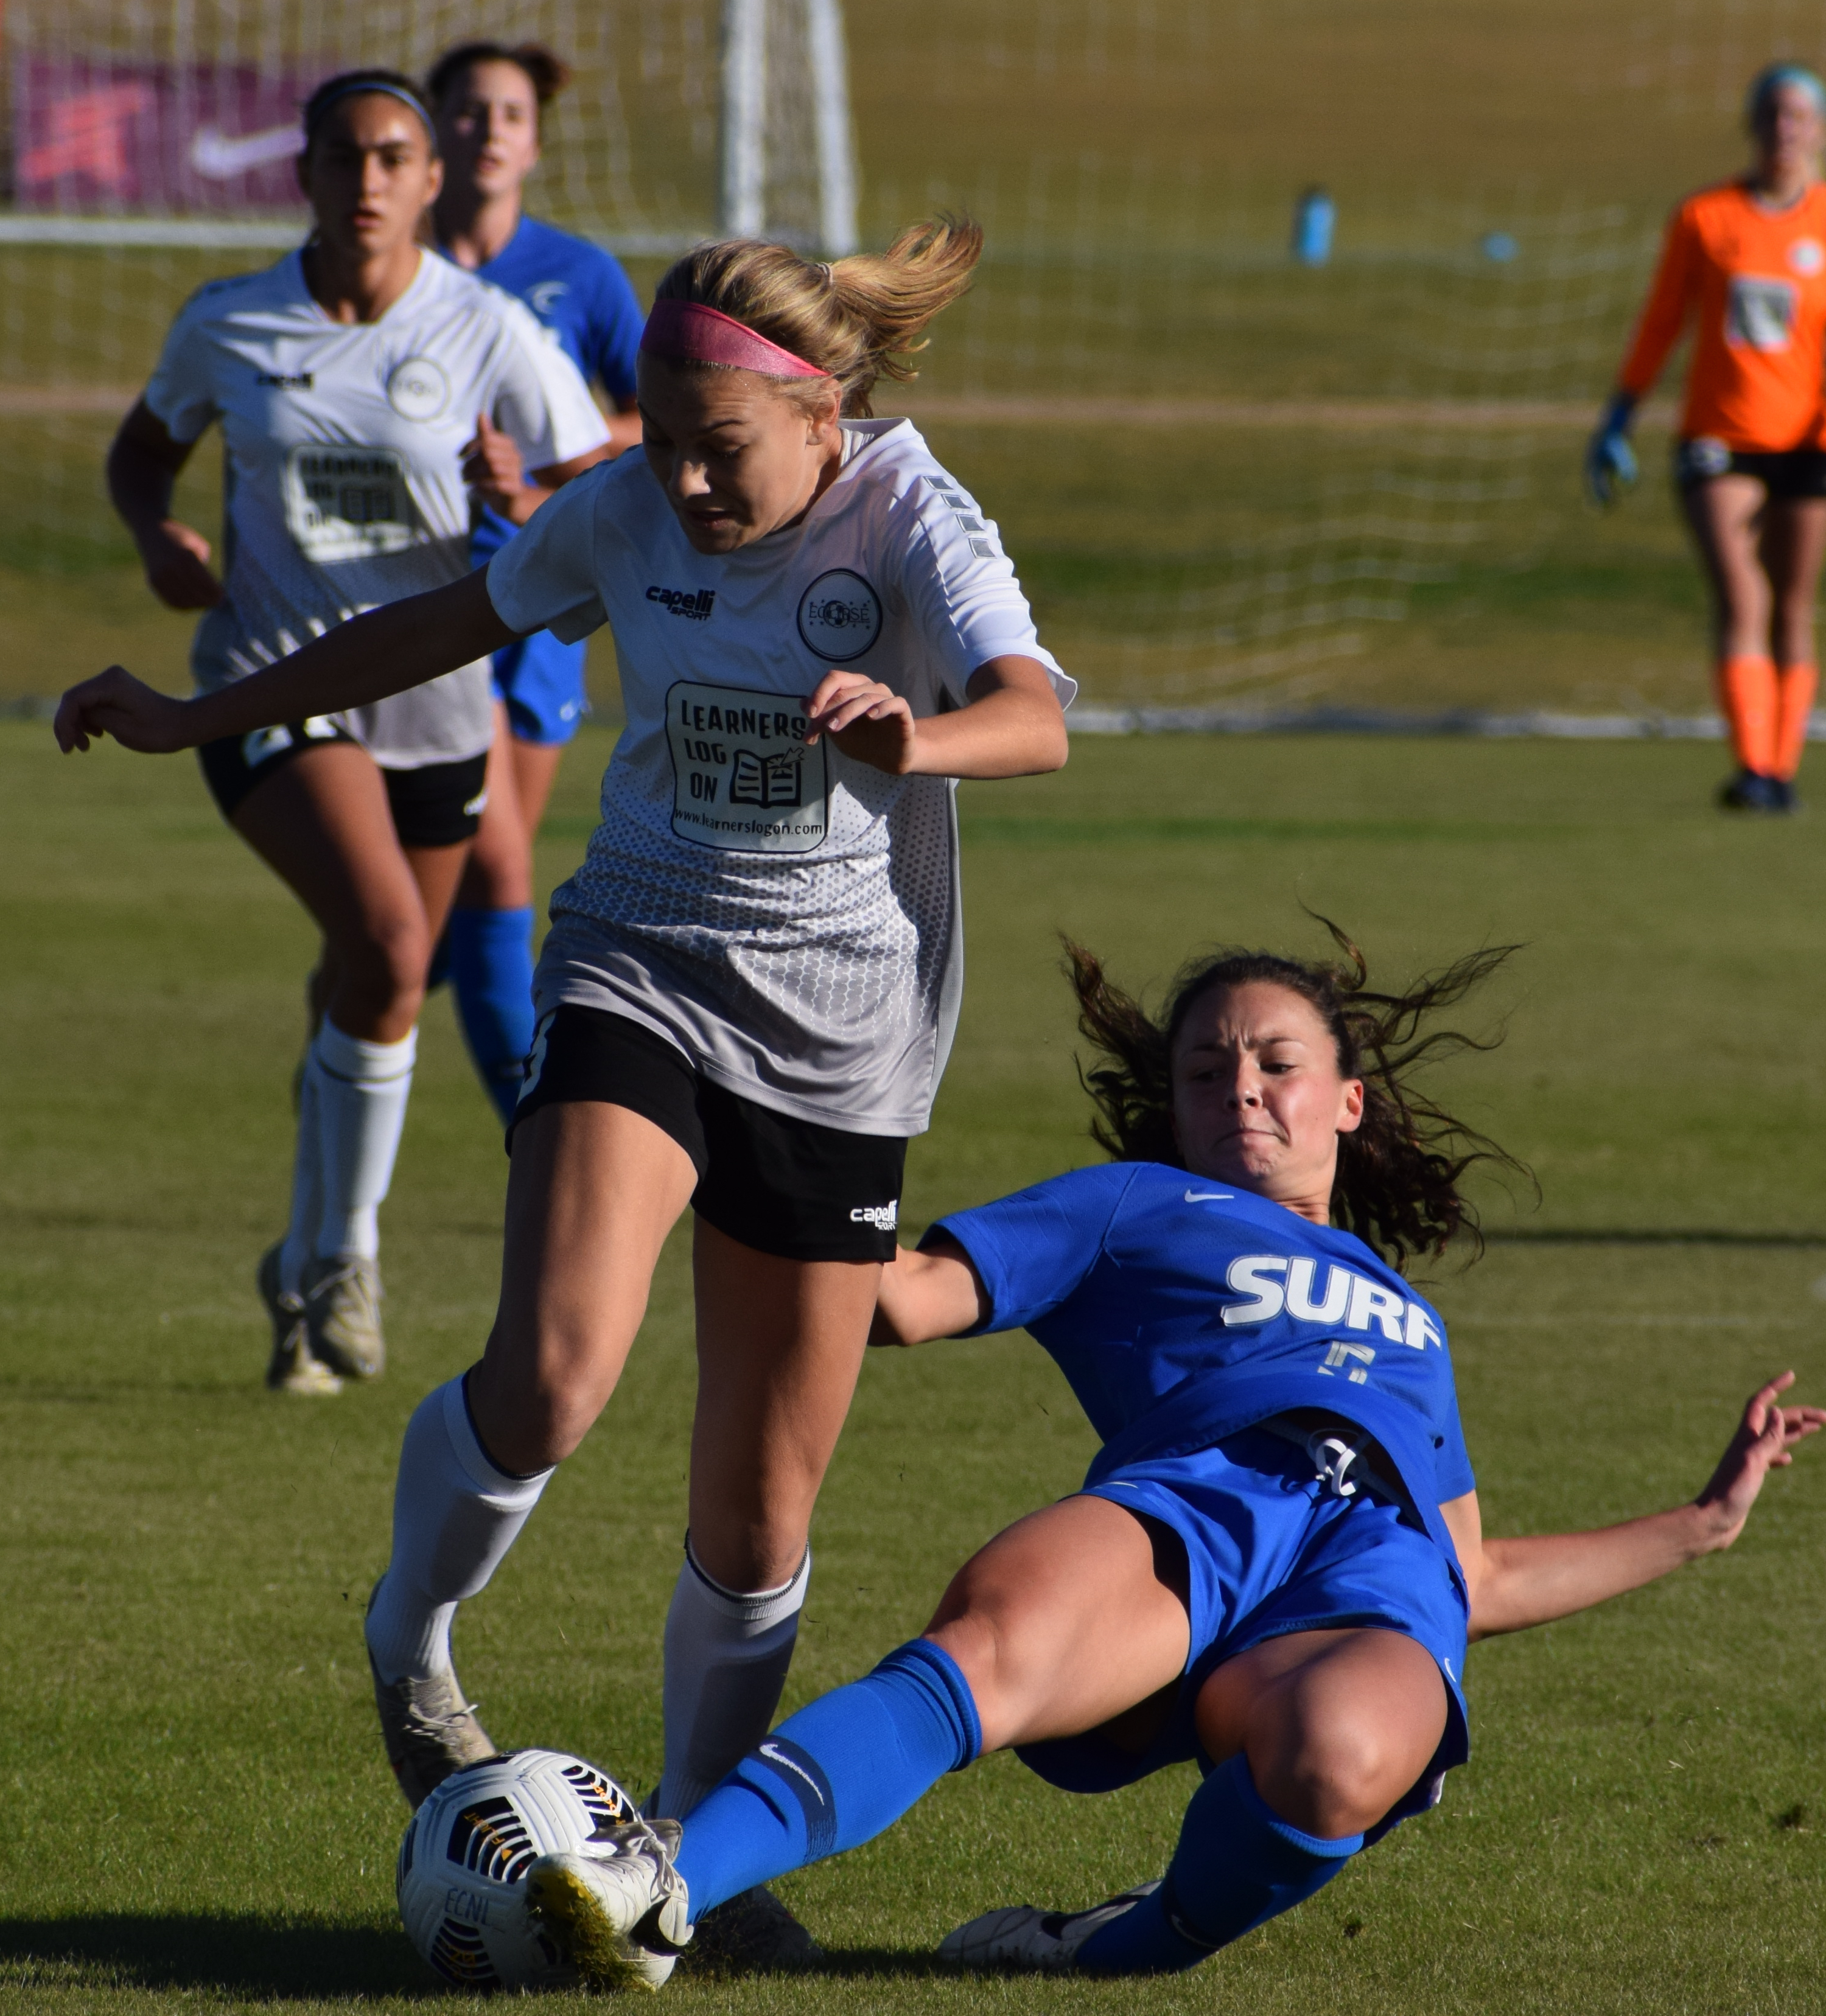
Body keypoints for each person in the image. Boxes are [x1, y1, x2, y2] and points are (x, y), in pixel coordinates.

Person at [57, 221, 1072, 1973]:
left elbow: (1037, 712)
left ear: (819, 414)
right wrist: (189, 709)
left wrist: (922, 737)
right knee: (550, 1377)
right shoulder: (626, 512)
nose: (678, 478)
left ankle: (693, 1858)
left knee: (759, 1518)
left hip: (843, 1041)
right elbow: (437, 621)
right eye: (661, 438)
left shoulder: (913, 515)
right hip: (642, 968)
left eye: (718, 448)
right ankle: (411, 1634)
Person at [516, 927, 1826, 1988]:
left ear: (1349, 1101)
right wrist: (751, 1144)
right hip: (1202, 1504)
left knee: (1334, 1759)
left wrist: (1703, 1523)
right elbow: (902, 1300)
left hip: (1376, 1573)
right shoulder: (1136, 1203)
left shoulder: (1409, 1313)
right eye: (1206, 1070)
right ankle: (663, 1883)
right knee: (989, 1644)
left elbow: (1471, 1574)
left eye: (1275, 1063)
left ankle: (1098, 1946)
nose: (1240, 1087)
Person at [102, 69, 610, 1394]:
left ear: (433, 178)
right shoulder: (229, 323)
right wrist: (159, 538)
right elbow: (140, 452)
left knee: (369, 982)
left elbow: (596, 465)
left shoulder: (487, 326)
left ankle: (299, 1270)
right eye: (346, 156)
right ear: (306, 174)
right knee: (390, 946)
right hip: (275, 683)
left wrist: (527, 483)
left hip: (438, 700)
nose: (371, 180)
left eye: (396, 156)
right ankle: (344, 1257)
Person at [1587, 62, 1826, 815]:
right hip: (1718, 438)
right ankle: (1752, 768)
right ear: (1754, 125)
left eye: (1800, 116)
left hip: (1808, 441)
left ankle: (1782, 771)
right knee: (1742, 592)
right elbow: (1661, 322)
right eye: (1774, 114)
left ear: (1821, 131)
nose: (1786, 129)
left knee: (1793, 605)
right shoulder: (1706, 218)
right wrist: (1620, 414)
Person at [425, 40, 648, 1124]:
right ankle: (536, 1130)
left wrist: (556, 460)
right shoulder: (394, 271)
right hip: (423, 606)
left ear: (536, 140)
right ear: (431, 131)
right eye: (466, 110)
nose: (487, 130)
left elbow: (663, 416)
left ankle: (350, 1025)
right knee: (489, 860)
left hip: (547, 599)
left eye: (508, 113)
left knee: (454, 882)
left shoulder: (577, 273)